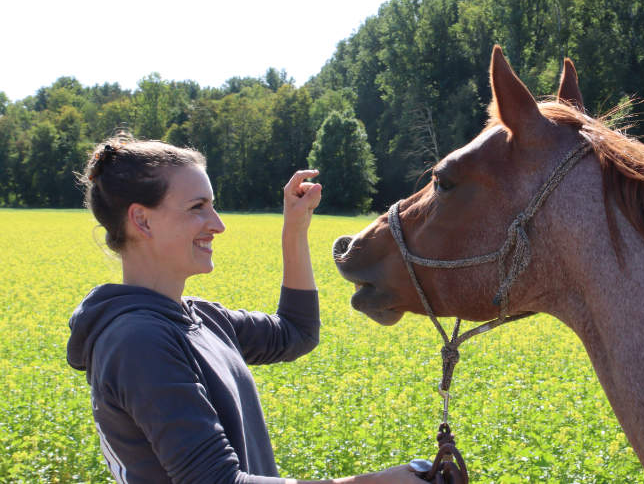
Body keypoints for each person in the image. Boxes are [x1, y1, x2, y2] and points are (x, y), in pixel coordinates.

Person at [66, 134, 425, 484]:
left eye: (212, 205)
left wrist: (295, 225)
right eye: (197, 207)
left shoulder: (200, 320)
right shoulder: (137, 342)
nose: (218, 224)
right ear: (142, 220)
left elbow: (296, 333)